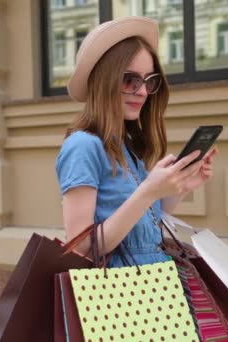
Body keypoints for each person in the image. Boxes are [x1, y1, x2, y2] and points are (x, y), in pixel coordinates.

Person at [55, 16, 218, 267]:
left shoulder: (127, 145)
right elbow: (82, 248)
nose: (142, 91)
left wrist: (182, 184)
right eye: (130, 80)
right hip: (119, 296)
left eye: (149, 81)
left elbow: (145, 223)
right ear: (104, 81)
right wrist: (148, 190)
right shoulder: (82, 146)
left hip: (154, 284)